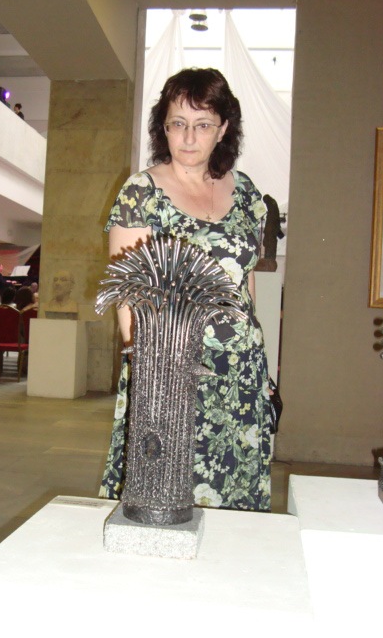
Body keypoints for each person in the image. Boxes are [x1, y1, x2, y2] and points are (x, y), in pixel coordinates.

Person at [99, 68, 273, 512]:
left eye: (203, 124)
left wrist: (260, 359)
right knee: (164, 489)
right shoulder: (142, 192)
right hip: (171, 367)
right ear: (164, 127)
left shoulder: (247, 194)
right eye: (178, 123)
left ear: (224, 129)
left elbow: (246, 281)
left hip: (240, 369)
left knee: (235, 485)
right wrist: (149, 368)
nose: (189, 138)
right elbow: (128, 292)